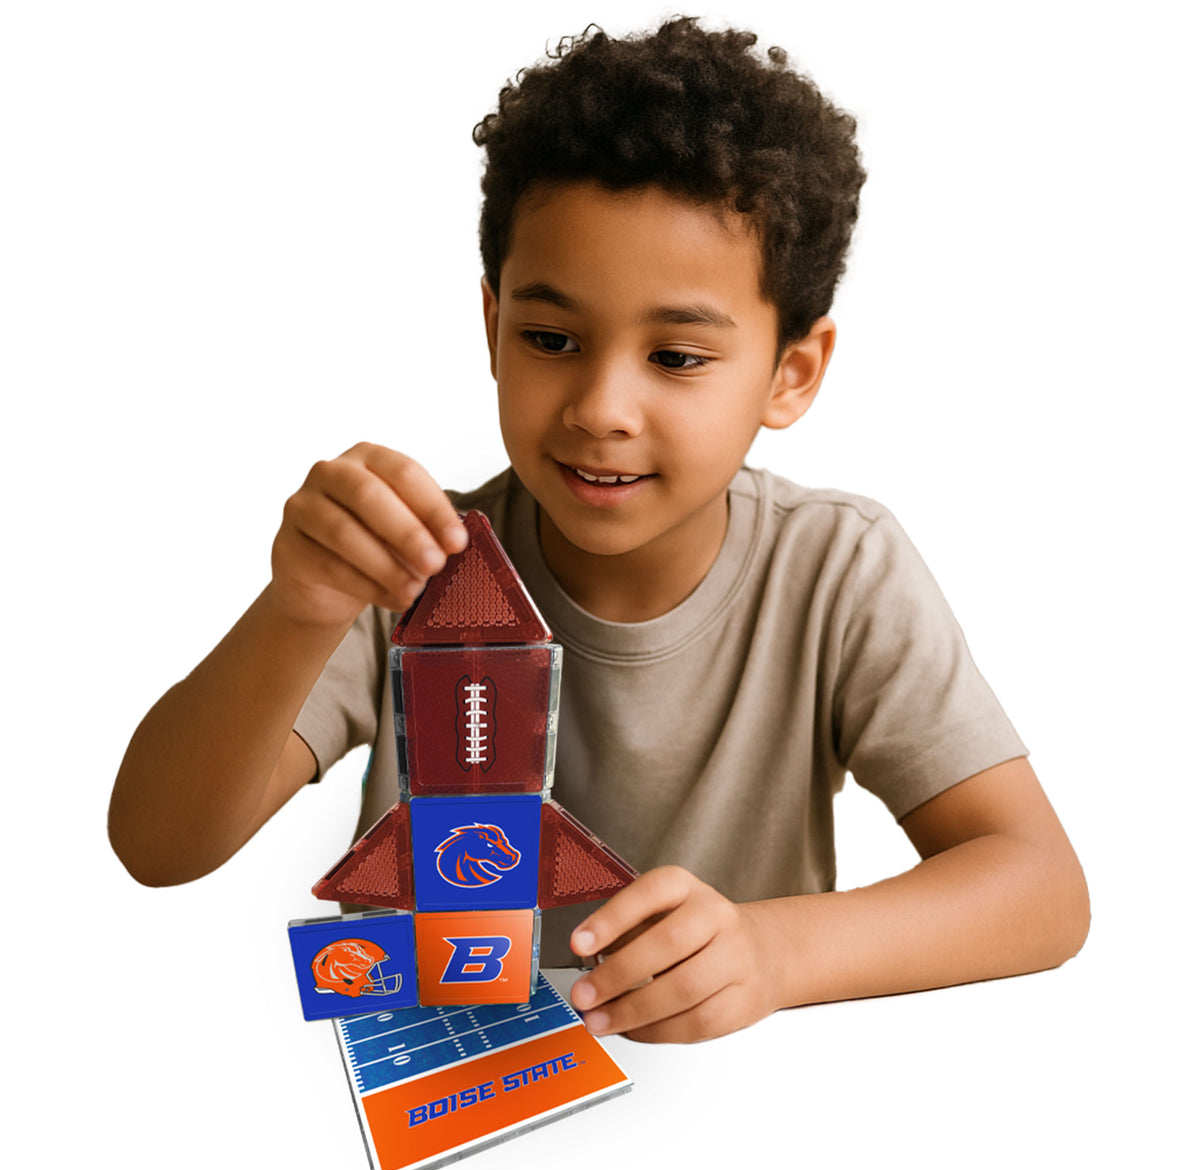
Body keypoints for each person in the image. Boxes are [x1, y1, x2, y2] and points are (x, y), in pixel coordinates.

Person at [109, 18, 1089, 1044]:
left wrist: (773, 951)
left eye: (676, 357)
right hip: (432, 1100)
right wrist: (298, 606)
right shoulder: (406, 560)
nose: (601, 406)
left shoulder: (837, 569)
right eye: (551, 339)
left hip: (716, 1121)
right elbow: (159, 843)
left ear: (791, 373)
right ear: (492, 329)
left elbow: (1041, 890)